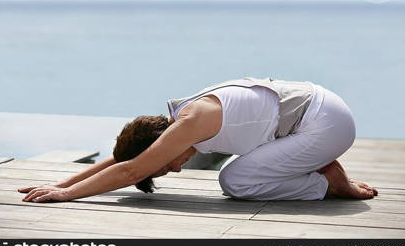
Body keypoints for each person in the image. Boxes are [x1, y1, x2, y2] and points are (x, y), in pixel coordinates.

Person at [19, 77, 378, 203]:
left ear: (161, 144)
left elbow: (130, 171)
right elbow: (125, 160)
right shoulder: (185, 118)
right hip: (320, 111)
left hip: (324, 125)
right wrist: (63, 181)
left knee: (236, 180)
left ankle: (326, 181)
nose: (174, 169)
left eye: (164, 166)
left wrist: (67, 196)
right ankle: (324, 168)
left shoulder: (193, 121)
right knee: (241, 168)